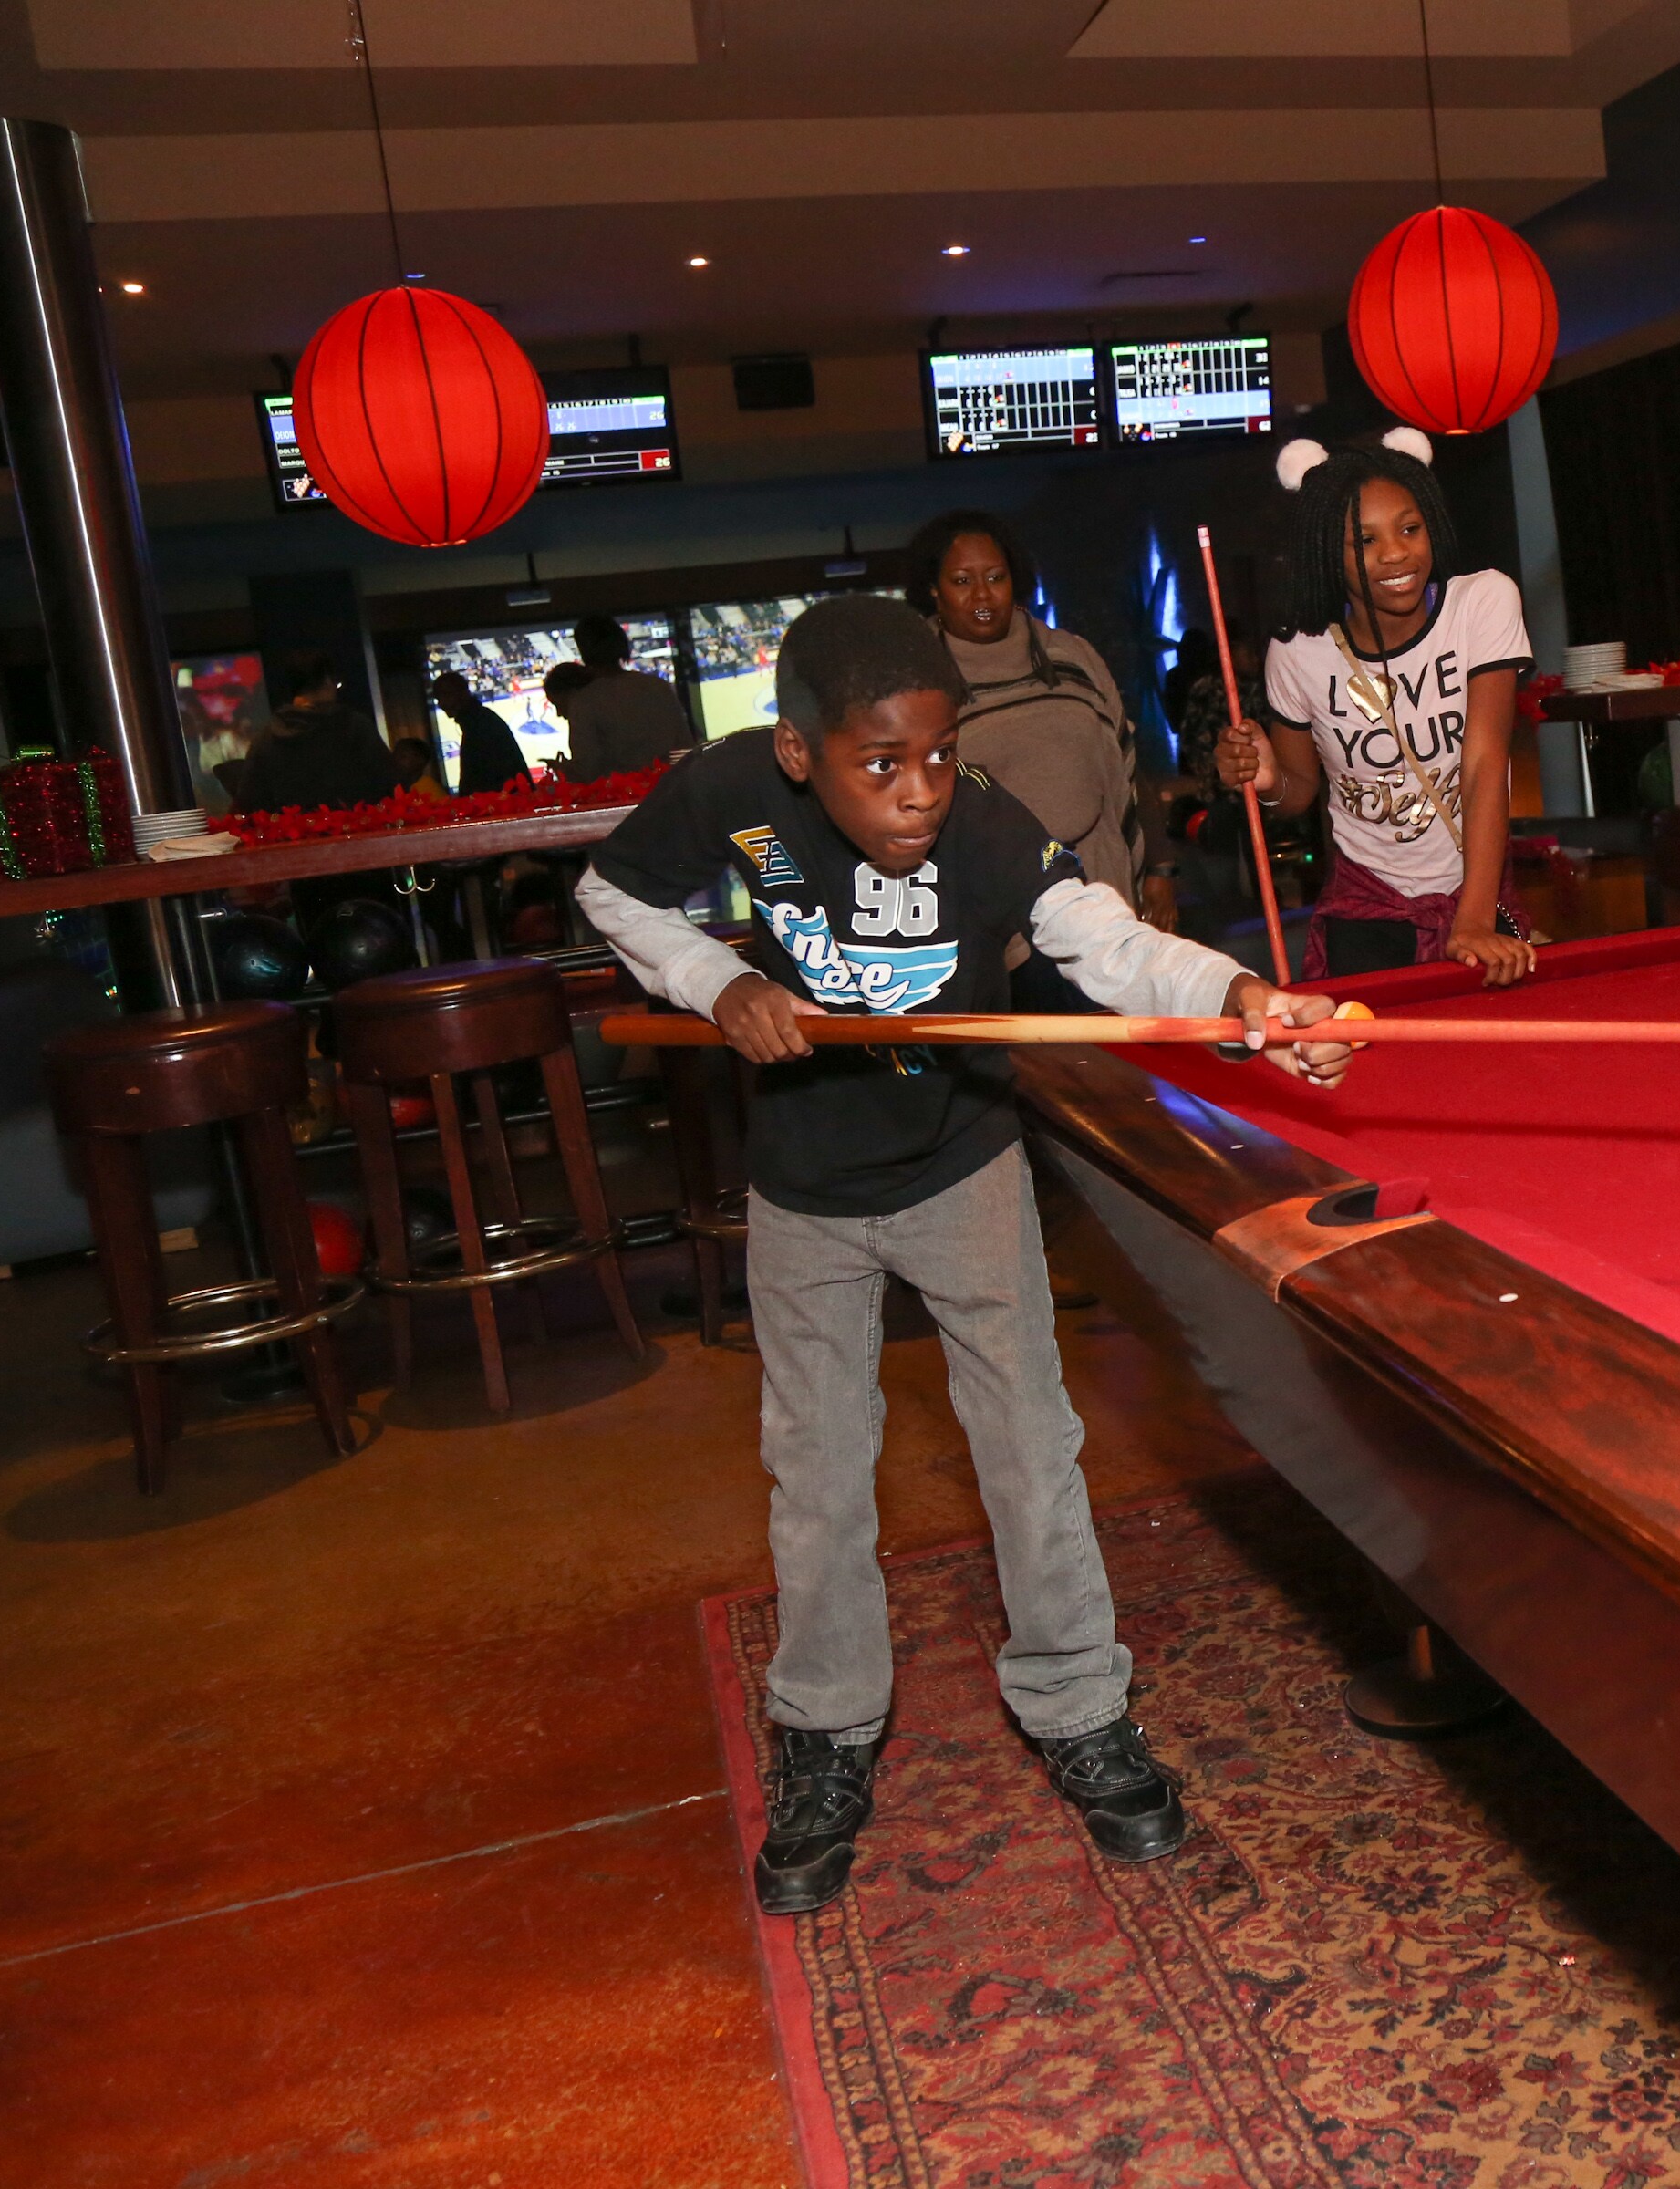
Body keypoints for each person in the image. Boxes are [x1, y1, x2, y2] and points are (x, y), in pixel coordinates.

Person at [570, 594, 1353, 1914]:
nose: (921, 790)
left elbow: (1104, 944)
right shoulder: (730, 794)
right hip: (805, 1188)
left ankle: (1079, 1708)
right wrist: (724, 985)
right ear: (798, 751)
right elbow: (610, 890)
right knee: (815, 1470)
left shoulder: (983, 819)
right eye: (883, 764)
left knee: (1030, 1447)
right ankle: (825, 1733)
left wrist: (1243, 1001)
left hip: (963, 1161)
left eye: (939, 753)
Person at [1214, 430, 1538, 982]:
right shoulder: (1297, 653)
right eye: (1363, 541)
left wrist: (1475, 919)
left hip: (1476, 888)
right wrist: (1268, 782)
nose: (1395, 553)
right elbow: (1298, 794)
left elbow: (1485, 763)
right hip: (1367, 906)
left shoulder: (1481, 602)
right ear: (1327, 552)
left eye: (1410, 529)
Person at [906, 510, 1178, 946]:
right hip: (996, 918)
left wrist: (1160, 870)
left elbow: (1127, 766)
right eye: (962, 581)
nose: (982, 595)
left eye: (995, 577)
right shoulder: (917, 680)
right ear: (934, 592)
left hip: (1105, 894)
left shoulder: (1072, 656)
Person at [233, 649, 399, 816]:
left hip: (292, 837)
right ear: (327, 681)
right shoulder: (353, 726)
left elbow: (248, 802)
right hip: (355, 833)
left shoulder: (265, 738)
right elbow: (392, 784)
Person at [557, 616, 690, 781]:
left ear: (584, 651)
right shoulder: (658, 686)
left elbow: (587, 768)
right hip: (670, 789)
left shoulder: (585, 701)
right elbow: (684, 745)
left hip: (625, 798)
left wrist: (562, 770)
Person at [433, 669, 533, 794]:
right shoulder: (480, 718)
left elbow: (478, 781)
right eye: (439, 698)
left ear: (463, 693)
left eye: (447, 695)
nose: (442, 703)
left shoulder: (477, 724)